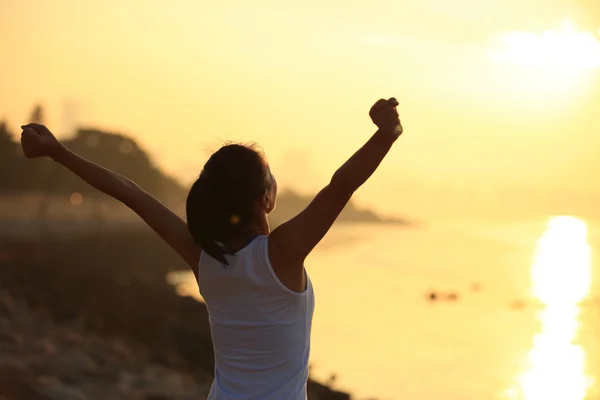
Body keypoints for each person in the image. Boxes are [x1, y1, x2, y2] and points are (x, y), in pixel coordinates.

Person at [20, 97, 403, 399]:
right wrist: (385, 134)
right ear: (266, 199)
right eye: (270, 176)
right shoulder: (281, 252)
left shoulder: (202, 257)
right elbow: (341, 186)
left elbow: (131, 194)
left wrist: (58, 152)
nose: (274, 180)